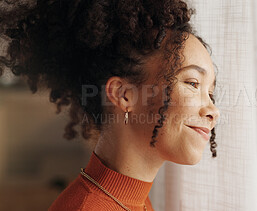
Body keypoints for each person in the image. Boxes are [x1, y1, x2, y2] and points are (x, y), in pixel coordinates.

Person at [0, 0, 220, 210]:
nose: (213, 111)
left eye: (210, 93)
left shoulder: (135, 200)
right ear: (123, 95)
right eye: (193, 83)